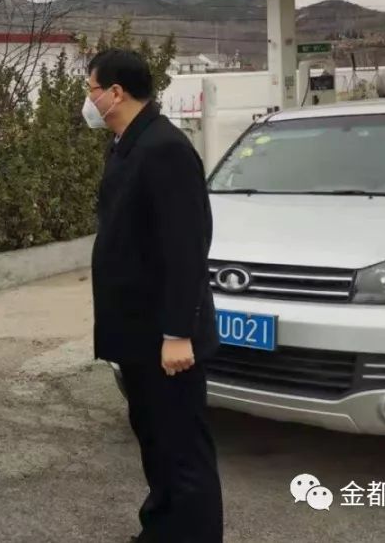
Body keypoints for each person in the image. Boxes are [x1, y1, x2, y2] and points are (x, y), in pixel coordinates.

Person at [84, 49, 223, 543]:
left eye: (91, 90)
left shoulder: (165, 149)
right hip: (137, 333)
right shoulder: (128, 144)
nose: (89, 100)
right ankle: (163, 529)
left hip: (166, 337)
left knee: (183, 452)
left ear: (115, 92)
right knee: (156, 443)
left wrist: (178, 331)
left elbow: (186, 248)